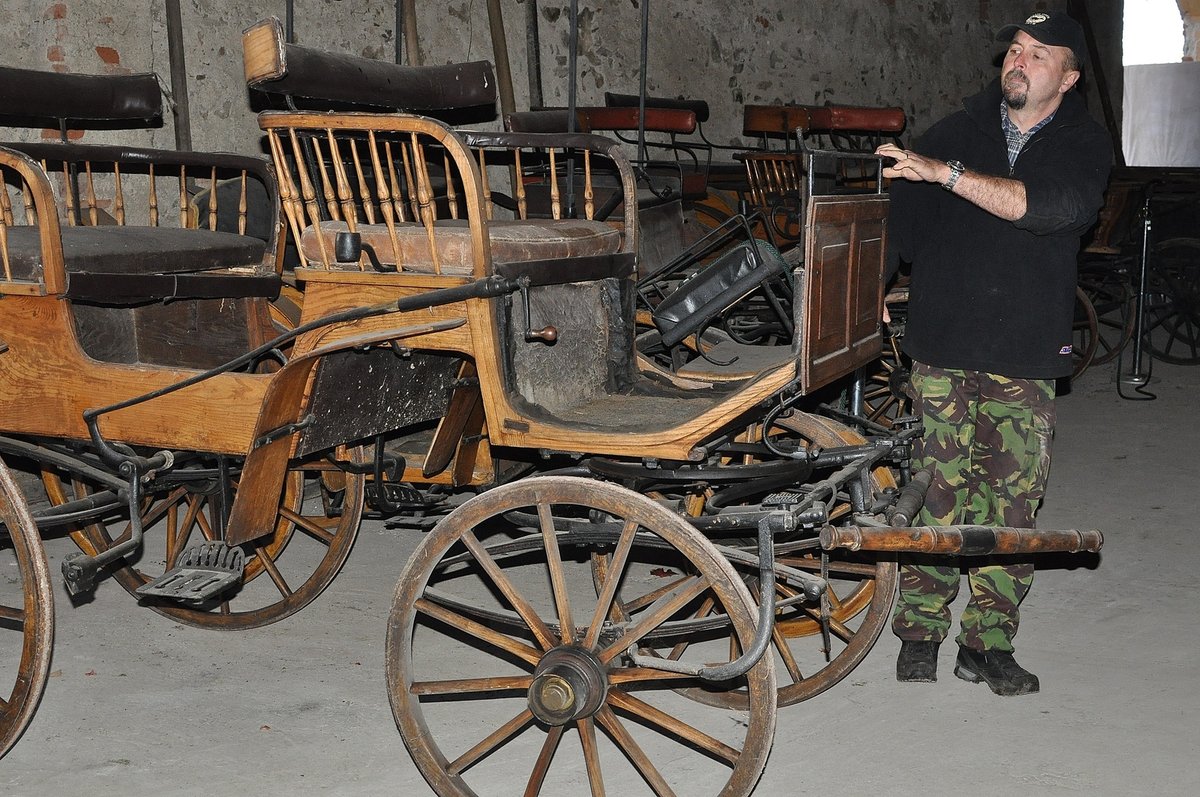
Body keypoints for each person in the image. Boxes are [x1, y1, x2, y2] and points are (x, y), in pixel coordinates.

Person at [874, 11, 1111, 696]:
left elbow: (1053, 208)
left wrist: (947, 176)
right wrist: (874, 284)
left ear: (1066, 78)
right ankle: (920, 630)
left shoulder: (1082, 144)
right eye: (1014, 49)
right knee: (934, 494)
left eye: (1040, 53)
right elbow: (904, 231)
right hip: (942, 350)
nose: (1020, 60)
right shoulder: (952, 133)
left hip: (1026, 353)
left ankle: (988, 642)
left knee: (1010, 505)